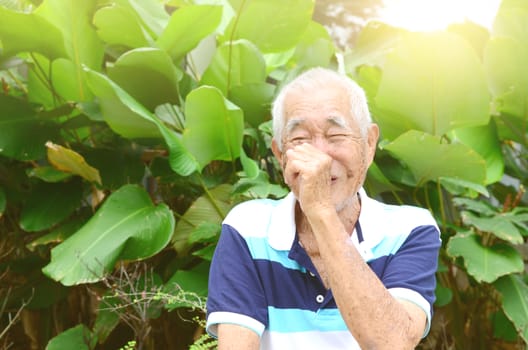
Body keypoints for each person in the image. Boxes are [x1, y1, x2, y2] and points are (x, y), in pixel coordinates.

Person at [205, 67, 441, 349]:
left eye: (335, 135)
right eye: (301, 139)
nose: (320, 157)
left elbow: (393, 343)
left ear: (368, 143)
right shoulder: (248, 228)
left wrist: (320, 212)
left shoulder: (409, 229)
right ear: (280, 154)